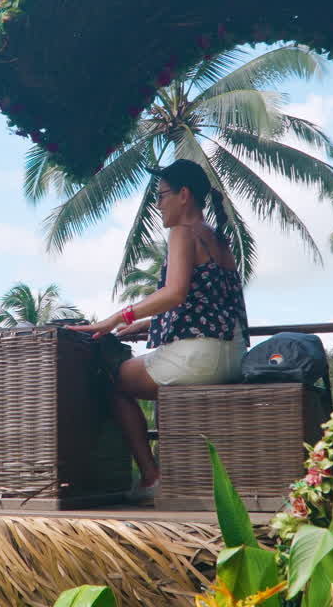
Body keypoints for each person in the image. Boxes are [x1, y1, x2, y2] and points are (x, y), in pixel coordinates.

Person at [71, 159, 249, 501]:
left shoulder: (182, 231)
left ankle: (152, 477)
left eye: (162, 195)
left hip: (199, 357)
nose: (158, 204)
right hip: (233, 355)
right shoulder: (219, 239)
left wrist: (115, 319)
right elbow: (205, 304)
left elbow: (175, 292)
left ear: (184, 195)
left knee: (112, 382)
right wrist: (146, 323)